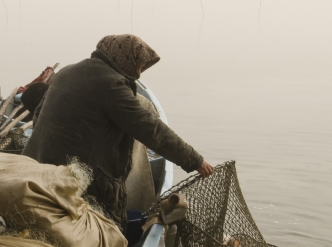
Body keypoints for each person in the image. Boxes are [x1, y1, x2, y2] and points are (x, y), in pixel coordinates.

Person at [22, 34, 213, 228]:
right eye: (139, 66)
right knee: (109, 228)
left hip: (36, 166)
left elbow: (37, 116)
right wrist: (194, 160)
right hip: (77, 180)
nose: (139, 74)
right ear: (126, 60)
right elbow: (150, 129)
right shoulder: (111, 85)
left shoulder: (65, 72)